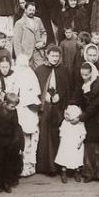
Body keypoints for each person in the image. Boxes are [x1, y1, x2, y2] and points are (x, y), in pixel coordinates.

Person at [35, 45, 72, 176]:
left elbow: (67, 87)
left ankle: (58, 166)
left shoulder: (64, 70)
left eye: (57, 56)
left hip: (59, 108)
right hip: (45, 107)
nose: (55, 59)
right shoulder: (40, 70)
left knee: (58, 134)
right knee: (45, 135)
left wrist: (59, 95)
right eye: (52, 56)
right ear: (47, 55)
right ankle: (46, 167)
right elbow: (36, 88)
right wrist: (45, 96)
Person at [0, 92, 24, 193]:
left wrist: (14, 141)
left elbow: (15, 126)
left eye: (15, 106)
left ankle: (6, 183)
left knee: (7, 164)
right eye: (12, 106)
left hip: (8, 142)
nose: (14, 108)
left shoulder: (14, 111)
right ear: (5, 102)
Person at [55, 105, 86, 184]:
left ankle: (77, 172)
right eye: (65, 114)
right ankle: (63, 172)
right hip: (66, 143)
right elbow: (61, 133)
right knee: (65, 156)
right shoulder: (65, 123)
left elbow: (83, 134)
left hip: (76, 143)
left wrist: (81, 141)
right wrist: (62, 141)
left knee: (77, 157)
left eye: (68, 115)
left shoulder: (79, 124)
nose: (66, 116)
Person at [13, 1, 47, 68]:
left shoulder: (38, 20)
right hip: (26, 55)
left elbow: (43, 32)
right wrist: (20, 57)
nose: (32, 12)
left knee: (40, 72)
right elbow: (17, 43)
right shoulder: (19, 23)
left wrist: (42, 42)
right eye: (30, 10)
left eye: (33, 10)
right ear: (25, 10)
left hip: (38, 53)